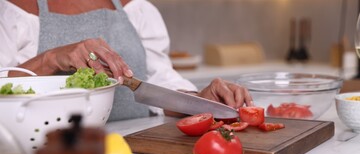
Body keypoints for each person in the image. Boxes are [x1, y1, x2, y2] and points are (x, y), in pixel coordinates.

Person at [0, 0, 253, 121]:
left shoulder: (136, 9)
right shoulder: (13, 11)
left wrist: (199, 99)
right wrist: (50, 59)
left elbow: (160, 83)